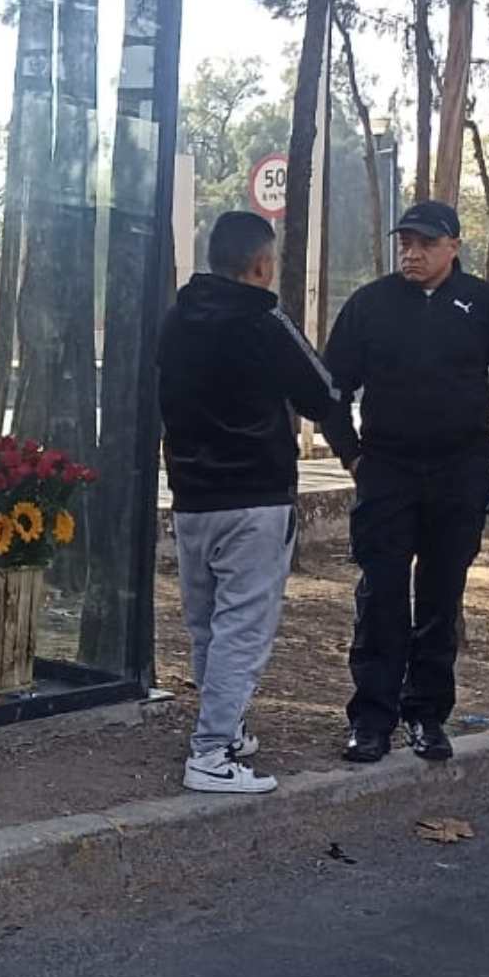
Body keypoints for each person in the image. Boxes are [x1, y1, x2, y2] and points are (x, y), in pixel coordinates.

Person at [322, 200, 489, 764]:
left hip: (458, 472)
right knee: (380, 596)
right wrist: (351, 456)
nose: (412, 254)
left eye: (425, 244)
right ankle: (371, 719)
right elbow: (331, 389)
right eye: (406, 243)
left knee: (441, 598)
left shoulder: (486, 306)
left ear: (453, 247)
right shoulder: (371, 305)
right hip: (387, 470)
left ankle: (427, 715)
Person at [159, 211, 340, 793]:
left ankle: (225, 729)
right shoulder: (265, 319)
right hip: (256, 497)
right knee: (244, 626)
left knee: (207, 623)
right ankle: (211, 753)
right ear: (261, 265)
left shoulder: (176, 318)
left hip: (190, 496)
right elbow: (323, 392)